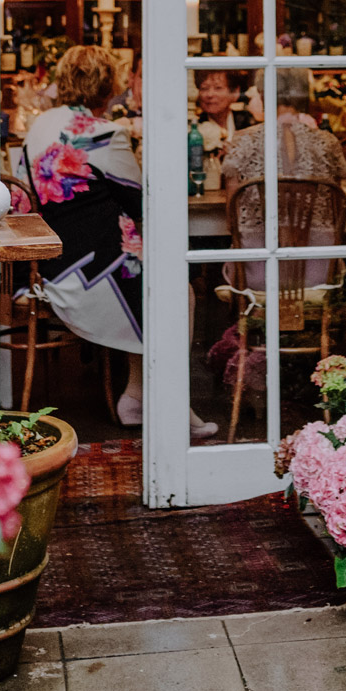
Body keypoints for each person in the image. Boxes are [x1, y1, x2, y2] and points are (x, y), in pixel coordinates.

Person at [24, 45, 215, 439]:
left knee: (145, 271)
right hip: (91, 271)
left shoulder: (41, 123)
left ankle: (136, 396)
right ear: (108, 86)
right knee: (180, 291)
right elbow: (142, 200)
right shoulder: (107, 133)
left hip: (53, 261)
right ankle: (172, 403)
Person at [221, 70, 346, 263]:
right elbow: (337, 208)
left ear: (264, 96)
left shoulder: (242, 140)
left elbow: (232, 221)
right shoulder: (328, 142)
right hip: (318, 266)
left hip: (259, 267)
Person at [193, 68, 261, 155]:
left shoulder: (247, 121)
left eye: (218, 88)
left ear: (235, 92)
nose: (210, 94)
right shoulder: (195, 126)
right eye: (204, 88)